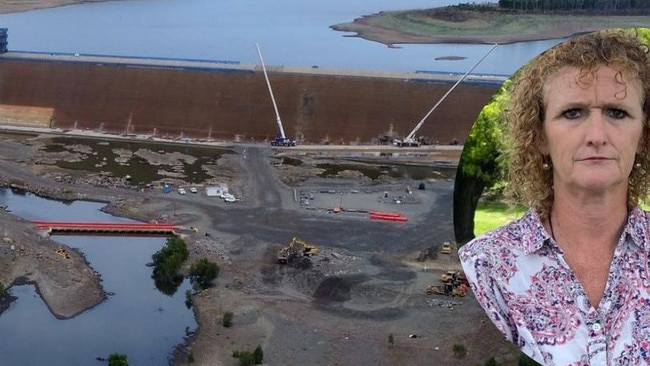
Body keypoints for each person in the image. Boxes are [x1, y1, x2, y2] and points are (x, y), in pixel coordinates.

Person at [458, 29, 650, 365]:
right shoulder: (484, 268)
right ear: (540, 137)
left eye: (617, 113)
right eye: (573, 113)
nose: (597, 136)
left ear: (644, 136)